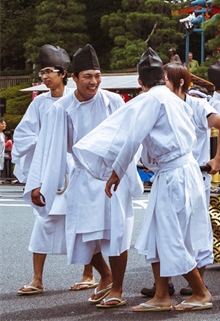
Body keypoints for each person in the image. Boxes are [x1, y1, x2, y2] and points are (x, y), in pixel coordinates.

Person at [74, 48, 214, 312]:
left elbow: (132, 138)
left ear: (140, 81)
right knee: (158, 235)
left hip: (174, 175)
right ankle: (161, 294)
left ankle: (201, 292)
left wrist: (116, 171)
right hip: (181, 171)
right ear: (163, 75)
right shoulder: (172, 98)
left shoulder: (150, 100)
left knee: (170, 235)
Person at [24, 45, 139, 308]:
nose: (94, 82)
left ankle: (118, 289)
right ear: (74, 78)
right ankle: (106, 275)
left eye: (97, 75)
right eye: (87, 76)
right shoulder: (60, 108)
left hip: (113, 177)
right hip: (82, 176)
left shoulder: (114, 101)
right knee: (81, 233)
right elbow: (49, 147)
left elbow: (130, 138)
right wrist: (40, 183)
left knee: (116, 233)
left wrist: (121, 171)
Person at [137, 63, 220, 298]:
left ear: (179, 82)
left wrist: (217, 159)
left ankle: (199, 283)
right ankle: (163, 285)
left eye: (165, 78)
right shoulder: (162, 103)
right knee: (163, 229)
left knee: (194, 230)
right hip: (169, 174)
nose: (161, 82)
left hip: (195, 174)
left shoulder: (197, 105)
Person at [13, 45, 97, 296]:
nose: (45, 76)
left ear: (63, 73)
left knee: (83, 221)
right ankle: (37, 278)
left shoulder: (78, 98)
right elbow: (23, 135)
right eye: (42, 72)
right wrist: (48, 141)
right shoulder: (39, 103)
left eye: (50, 71)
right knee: (44, 220)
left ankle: (89, 274)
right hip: (50, 165)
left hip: (75, 167)